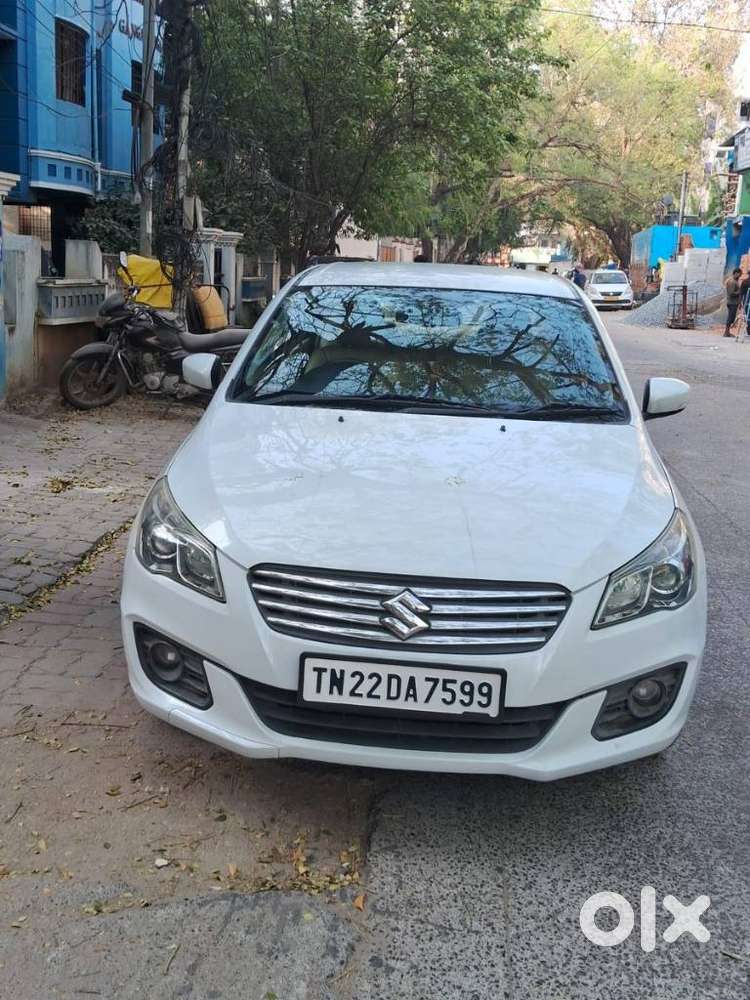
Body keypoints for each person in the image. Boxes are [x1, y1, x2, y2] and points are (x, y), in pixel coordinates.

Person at [724, 268, 743, 337]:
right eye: (740, 274)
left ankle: (727, 332)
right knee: (730, 317)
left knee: (731, 317)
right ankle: (726, 332)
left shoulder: (735, 281)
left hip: (733, 302)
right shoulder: (732, 282)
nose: (740, 276)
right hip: (732, 302)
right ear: (736, 273)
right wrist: (740, 292)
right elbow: (731, 293)